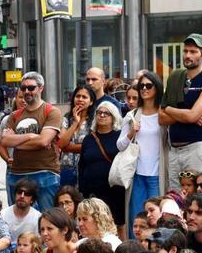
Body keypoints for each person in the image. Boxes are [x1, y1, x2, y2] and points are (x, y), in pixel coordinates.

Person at [160, 34, 202, 187]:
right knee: (176, 200)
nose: (187, 55)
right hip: (174, 151)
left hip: (197, 150)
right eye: (186, 51)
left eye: (193, 51)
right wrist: (186, 114)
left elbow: (192, 116)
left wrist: (169, 108)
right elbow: (161, 117)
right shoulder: (175, 77)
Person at [0, 71, 64, 210]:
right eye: (23, 88)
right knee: (20, 221)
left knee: (48, 218)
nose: (27, 91)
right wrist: (30, 136)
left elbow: (43, 141)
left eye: (31, 88)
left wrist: (16, 141)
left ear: (41, 88)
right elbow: (4, 141)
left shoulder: (52, 111)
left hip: (45, 173)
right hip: (17, 174)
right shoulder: (14, 115)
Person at [118, 71, 167, 234]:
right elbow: (120, 145)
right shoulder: (131, 115)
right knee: (136, 220)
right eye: (142, 86)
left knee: (157, 220)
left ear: (157, 88)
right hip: (137, 175)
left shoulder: (164, 114)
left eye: (148, 85)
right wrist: (131, 133)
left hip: (157, 175)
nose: (144, 89)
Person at [79, 102, 126, 233]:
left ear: (114, 117)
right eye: (99, 113)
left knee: (118, 224)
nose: (102, 115)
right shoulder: (88, 139)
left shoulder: (119, 137)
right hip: (93, 191)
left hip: (114, 190)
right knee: (96, 225)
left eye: (106, 113)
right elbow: (81, 165)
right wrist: (83, 189)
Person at [56, 84, 96, 187]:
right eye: (78, 96)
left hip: (86, 168)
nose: (80, 99)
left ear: (91, 101)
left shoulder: (94, 120)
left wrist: (68, 147)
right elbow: (61, 144)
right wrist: (75, 123)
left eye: (84, 97)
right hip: (66, 169)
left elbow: (91, 147)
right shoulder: (67, 118)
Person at [0, 178, 41, 244]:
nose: (22, 196)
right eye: (19, 192)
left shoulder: (38, 218)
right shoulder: (3, 215)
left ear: (32, 199)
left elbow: (38, 243)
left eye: (26, 194)